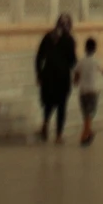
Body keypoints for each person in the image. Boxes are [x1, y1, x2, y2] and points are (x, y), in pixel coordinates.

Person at [35, 13, 76, 142]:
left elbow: (39, 57)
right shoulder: (69, 39)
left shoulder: (48, 37)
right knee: (61, 106)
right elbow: (72, 61)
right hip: (62, 78)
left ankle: (46, 123)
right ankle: (58, 136)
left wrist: (39, 74)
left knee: (48, 103)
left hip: (48, 76)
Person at [76, 35, 100, 146]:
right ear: (95, 49)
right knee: (90, 114)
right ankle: (84, 135)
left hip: (83, 91)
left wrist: (75, 81)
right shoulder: (96, 61)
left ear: (85, 48)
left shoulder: (81, 61)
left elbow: (76, 75)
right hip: (92, 90)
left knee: (86, 114)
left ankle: (88, 133)